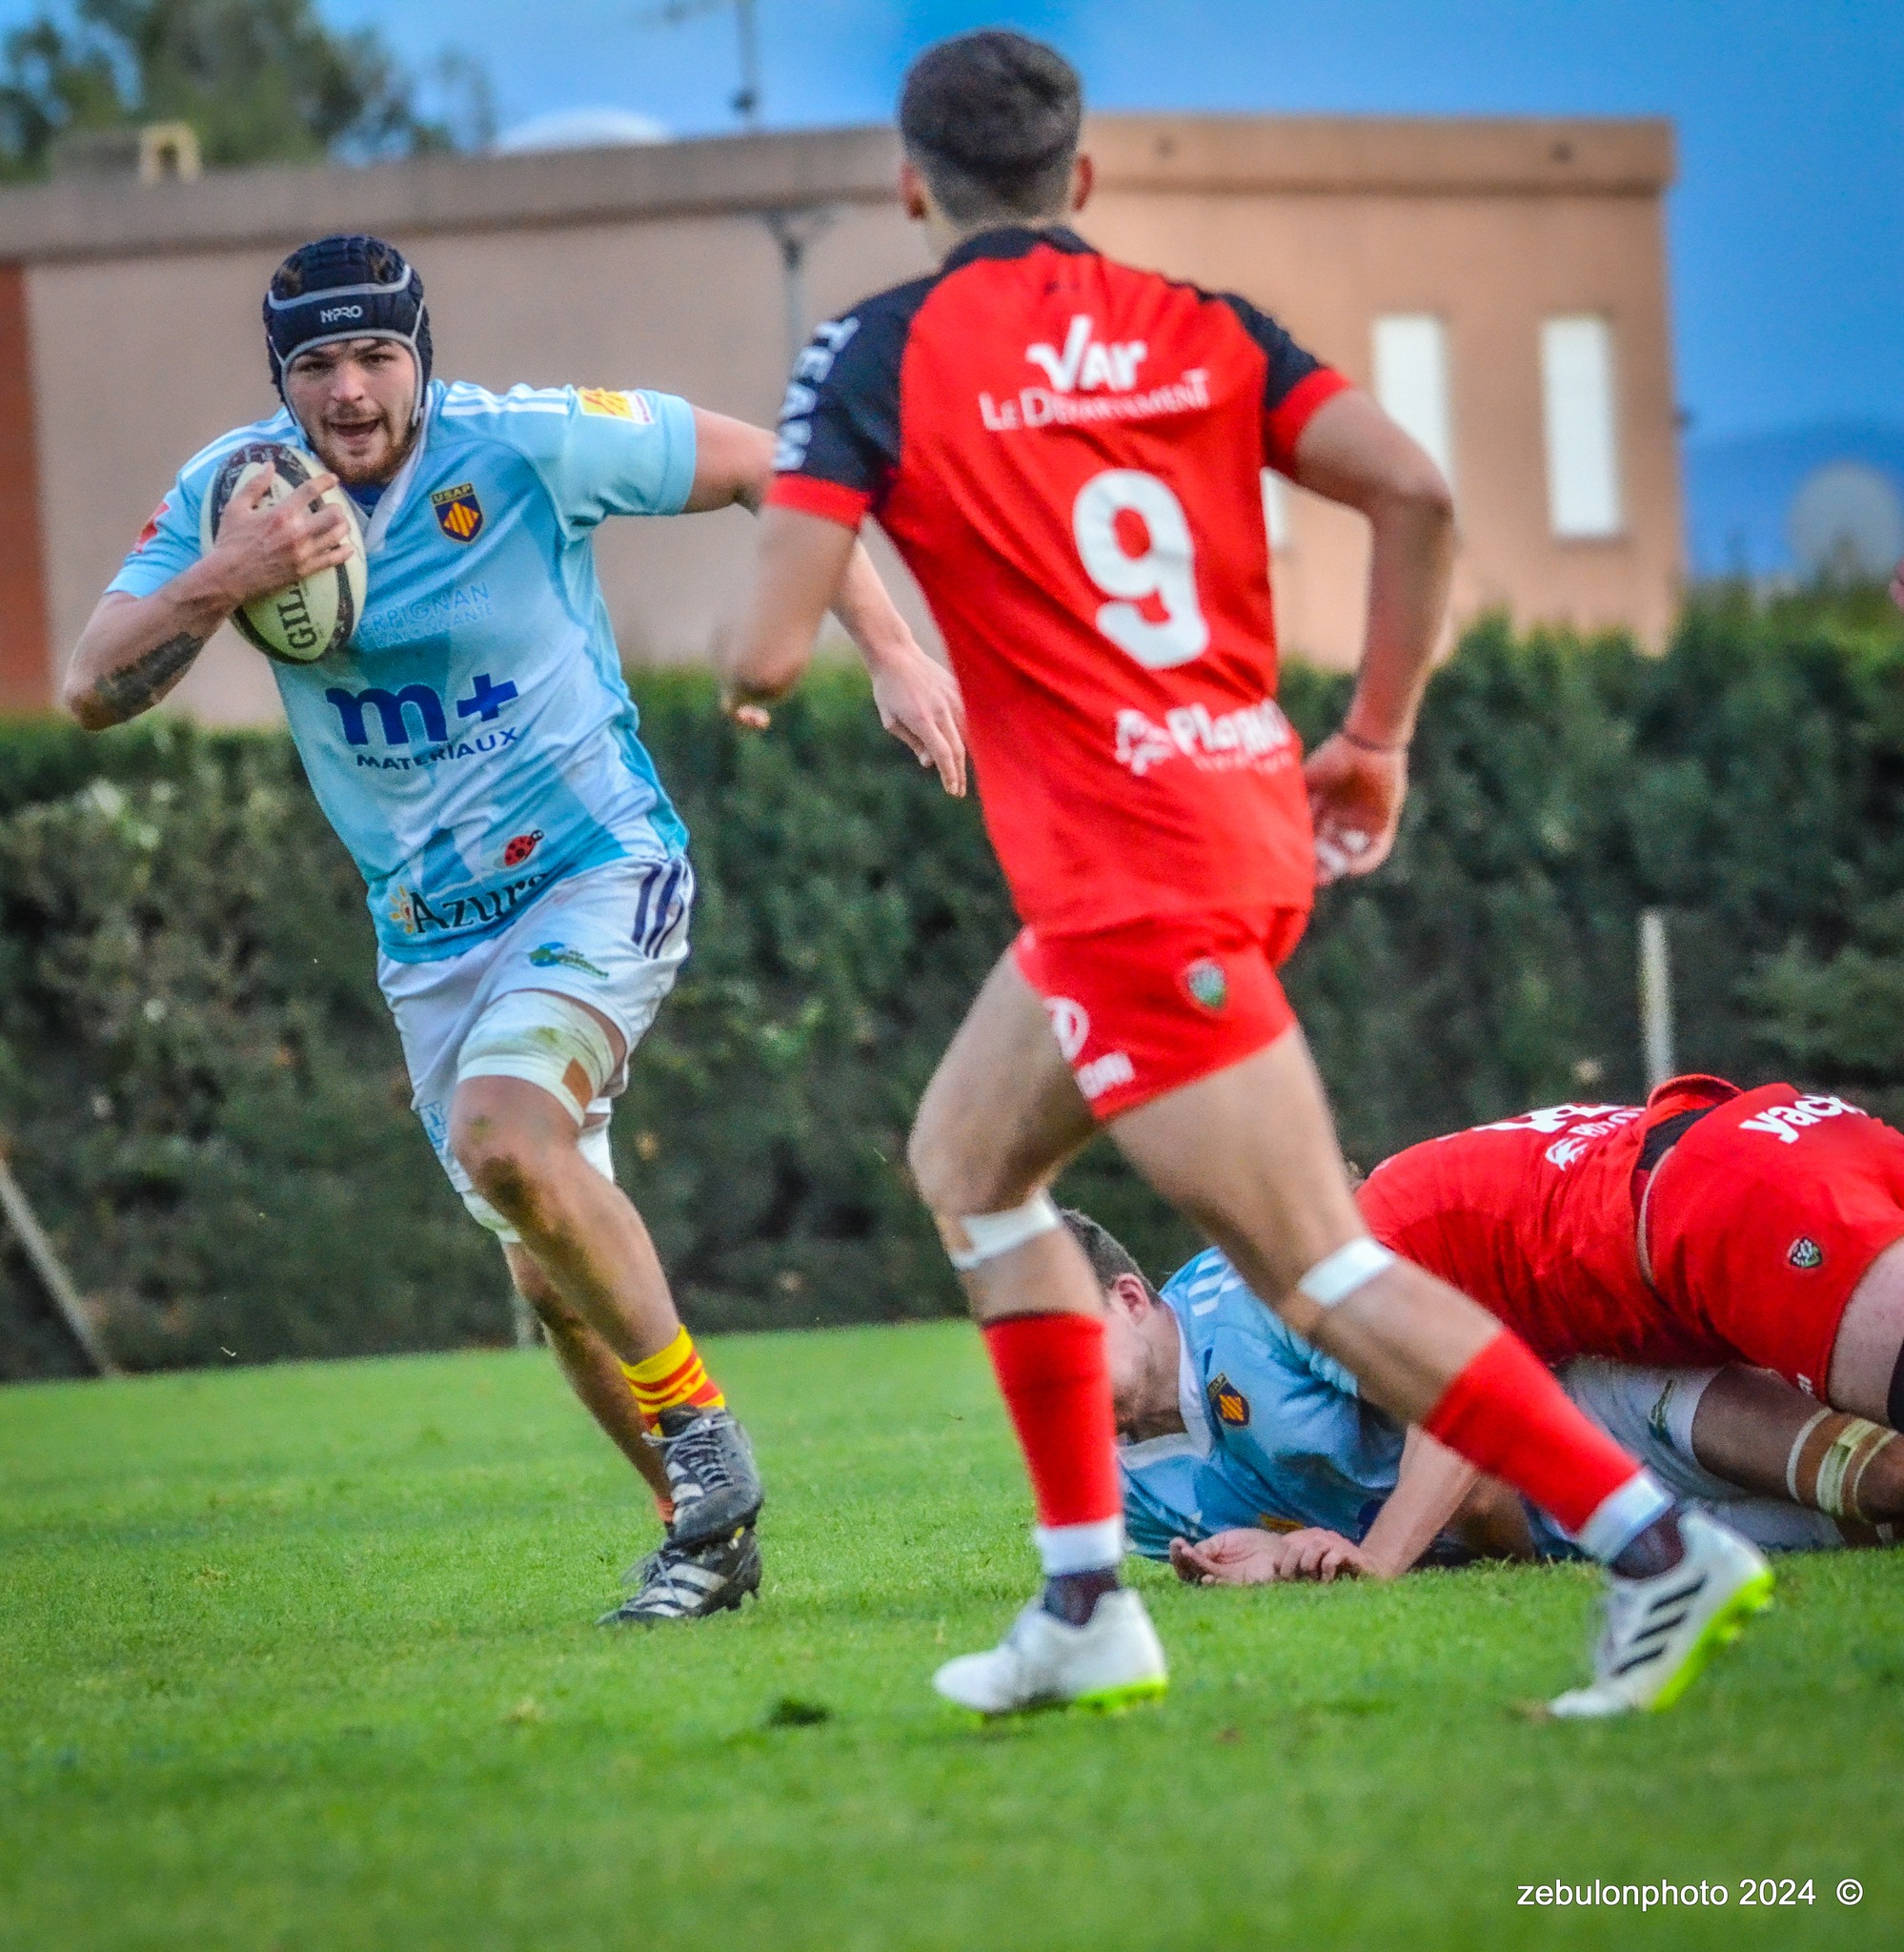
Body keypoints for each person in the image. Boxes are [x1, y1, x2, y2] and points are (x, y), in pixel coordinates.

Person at [720, 29, 1770, 1718]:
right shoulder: (1201, 328)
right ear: (1085, 179)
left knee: (1316, 1273)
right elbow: (1414, 492)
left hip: (1136, 884)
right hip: (1227, 824)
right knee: (968, 1158)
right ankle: (1082, 1595)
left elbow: (767, 649)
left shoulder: (873, 351)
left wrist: (761, 655)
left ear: (909, 186)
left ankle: (1655, 1548)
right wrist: (1378, 733)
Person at [60, 233, 964, 1623]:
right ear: (280, 380)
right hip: (427, 941)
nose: (349, 391)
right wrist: (223, 576)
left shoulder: (529, 445)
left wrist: (892, 653)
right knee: (548, 1272)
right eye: (316, 365)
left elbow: (773, 472)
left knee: (505, 1137)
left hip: (598, 870)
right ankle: (701, 1537)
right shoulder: (229, 495)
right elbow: (91, 687)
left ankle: (705, 1433)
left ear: (424, 354)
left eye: (376, 356)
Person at [1061, 1210, 1900, 1587]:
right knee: (1871, 1533)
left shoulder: (1257, 1301)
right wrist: (1279, 1560)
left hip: (1587, 1401)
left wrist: (1384, 1556)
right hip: (1566, 1531)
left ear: (1130, 1299)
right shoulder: (1127, 1500)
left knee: (1879, 1479)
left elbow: (1459, 1397)